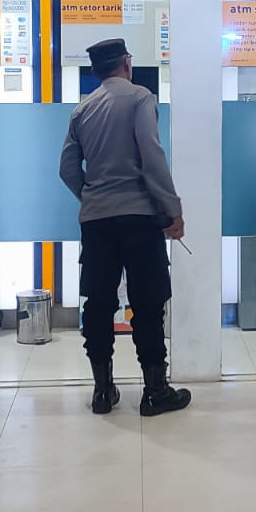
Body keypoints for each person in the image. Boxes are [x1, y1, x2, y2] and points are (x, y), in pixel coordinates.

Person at [59, 37, 191, 417]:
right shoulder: (140, 98)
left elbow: (67, 169)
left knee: (99, 304)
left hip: (96, 223)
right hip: (139, 218)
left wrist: (92, 198)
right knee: (147, 303)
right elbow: (152, 157)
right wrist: (172, 209)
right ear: (127, 64)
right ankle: (155, 392)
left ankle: (103, 391)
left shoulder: (81, 110)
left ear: (96, 70)